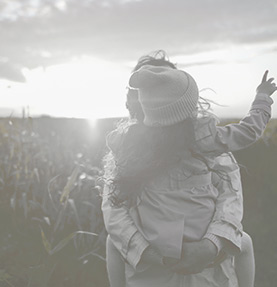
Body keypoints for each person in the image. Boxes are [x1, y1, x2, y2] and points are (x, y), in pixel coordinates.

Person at [101, 51, 276, 287]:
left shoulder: (128, 145)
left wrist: (210, 245)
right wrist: (262, 98)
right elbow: (249, 131)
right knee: (245, 243)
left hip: (178, 252)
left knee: (113, 243)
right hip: (168, 257)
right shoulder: (206, 139)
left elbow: (229, 198)